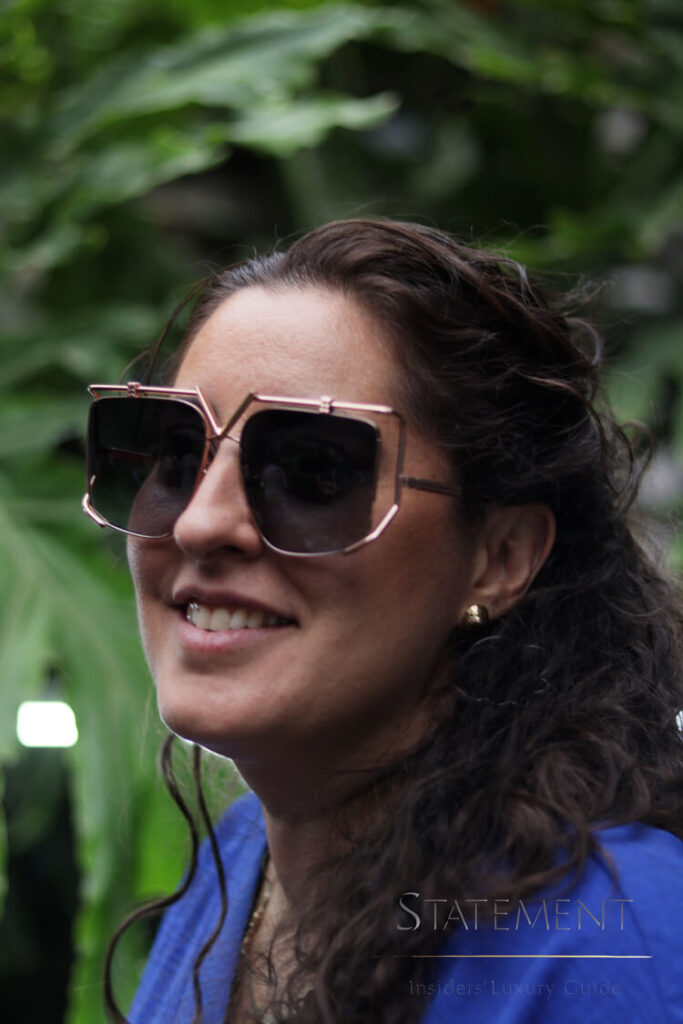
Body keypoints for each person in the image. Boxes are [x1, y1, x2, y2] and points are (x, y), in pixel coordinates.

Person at [82, 219, 683, 1024]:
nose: (200, 522)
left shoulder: (613, 938)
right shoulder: (239, 862)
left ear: (499, 557)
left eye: (313, 470)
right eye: (176, 457)